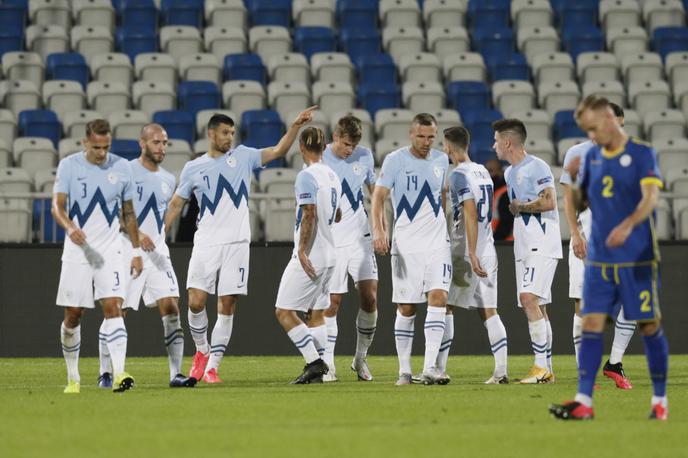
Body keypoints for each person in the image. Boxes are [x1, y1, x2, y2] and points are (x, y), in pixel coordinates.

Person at [164, 108, 316, 384]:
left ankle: (212, 368)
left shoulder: (244, 156)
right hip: (206, 242)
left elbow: (279, 150)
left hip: (237, 243)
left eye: (232, 133)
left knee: (227, 303)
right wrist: (159, 231)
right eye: (225, 133)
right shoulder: (193, 168)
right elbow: (177, 202)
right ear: (211, 134)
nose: (230, 138)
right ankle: (201, 351)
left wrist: (294, 125)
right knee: (196, 301)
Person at [550, 95, 669, 421]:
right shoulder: (590, 158)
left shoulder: (642, 153)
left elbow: (650, 199)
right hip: (600, 255)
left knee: (647, 324)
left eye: (592, 128)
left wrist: (628, 226)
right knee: (590, 321)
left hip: (635, 254)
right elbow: (579, 200)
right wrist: (574, 190)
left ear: (609, 120)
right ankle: (584, 401)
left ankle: (660, 401)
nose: (590, 136)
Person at [97, 124, 196, 389]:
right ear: (142, 144)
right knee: (119, 311)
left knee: (172, 306)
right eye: (156, 142)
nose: (161, 148)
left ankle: (176, 374)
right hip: (127, 249)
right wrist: (138, 234)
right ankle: (106, 373)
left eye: (164, 143)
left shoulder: (168, 178)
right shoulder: (125, 171)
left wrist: (158, 237)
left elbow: (163, 214)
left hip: (157, 252)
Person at [52, 119, 143, 394]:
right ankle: (73, 378)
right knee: (73, 315)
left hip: (110, 250)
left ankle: (119, 373)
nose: (102, 153)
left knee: (114, 306)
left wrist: (136, 251)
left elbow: (128, 213)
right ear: (85, 143)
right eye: (96, 148)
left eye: (106, 147)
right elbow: (57, 206)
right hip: (77, 251)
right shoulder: (69, 166)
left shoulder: (123, 168)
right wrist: (70, 228)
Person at [371, 113, 451, 386]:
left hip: (437, 244)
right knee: (407, 307)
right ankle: (404, 370)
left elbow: (441, 197)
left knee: (439, 297)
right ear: (410, 134)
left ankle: (430, 367)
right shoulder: (395, 160)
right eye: (421, 136)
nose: (427, 142)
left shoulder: (442, 160)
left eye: (431, 137)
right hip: (406, 245)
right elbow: (378, 197)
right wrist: (380, 231)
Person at [560, 102, 634, 390]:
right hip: (586, 238)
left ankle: (613, 363)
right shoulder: (576, 154)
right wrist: (576, 235)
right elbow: (568, 201)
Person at [492, 118, 562, 384]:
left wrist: (521, 206)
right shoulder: (510, 172)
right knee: (539, 305)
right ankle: (548, 370)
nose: (494, 145)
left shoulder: (537, 166)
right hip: (524, 242)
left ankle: (540, 367)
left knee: (528, 298)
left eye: (497, 141)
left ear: (508, 142)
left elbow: (549, 201)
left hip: (542, 240)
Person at [274, 127, 342, 384]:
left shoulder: (306, 176)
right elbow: (337, 215)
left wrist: (301, 250)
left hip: (312, 255)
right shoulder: (333, 175)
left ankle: (315, 363)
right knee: (316, 313)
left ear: (301, 147)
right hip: (331, 254)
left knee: (284, 311)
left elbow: (309, 214)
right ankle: (325, 373)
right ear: (324, 147)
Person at [443, 126, 509, 384]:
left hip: (466, 250)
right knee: (489, 311)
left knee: (444, 307)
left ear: (448, 147)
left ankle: (437, 368)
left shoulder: (458, 175)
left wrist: (470, 251)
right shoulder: (483, 171)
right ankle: (501, 371)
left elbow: (470, 212)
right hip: (488, 249)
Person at [317, 115, 378, 382]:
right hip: (332, 239)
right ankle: (329, 365)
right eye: (345, 144)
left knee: (371, 297)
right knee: (332, 302)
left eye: (353, 145)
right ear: (335, 137)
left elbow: (376, 193)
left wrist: (381, 228)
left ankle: (360, 359)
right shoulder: (320, 159)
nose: (349, 150)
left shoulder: (365, 156)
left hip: (360, 237)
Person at [484, 158, 513, 241]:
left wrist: (495, 241)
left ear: (501, 172)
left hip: (505, 244)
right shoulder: (494, 193)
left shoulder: (505, 194)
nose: (488, 175)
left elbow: (506, 223)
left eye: (491, 171)